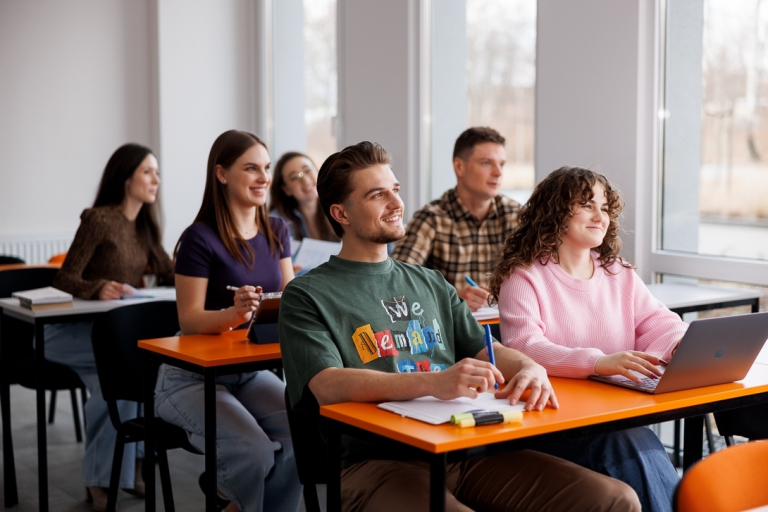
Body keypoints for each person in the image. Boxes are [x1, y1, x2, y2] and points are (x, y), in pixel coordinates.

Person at [279, 141, 641, 512]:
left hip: (463, 447)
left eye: (396, 190)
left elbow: (487, 348)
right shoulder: (307, 293)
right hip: (377, 463)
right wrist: (434, 382)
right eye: (377, 195)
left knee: (615, 500)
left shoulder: (430, 282)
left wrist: (530, 366)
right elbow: (327, 386)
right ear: (341, 213)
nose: (395, 203)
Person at [489, 166, 686, 512]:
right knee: (632, 445)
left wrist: (680, 342)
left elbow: (659, 322)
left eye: (605, 207)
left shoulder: (617, 272)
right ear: (555, 212)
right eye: (587, 205)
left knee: (638, 444)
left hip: (612, 416)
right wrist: (597, 362)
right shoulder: (524, 277)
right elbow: (524, 346)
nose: (600, 216)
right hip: (551, 422)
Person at [154, 130, 301, 512]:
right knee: (253, 453)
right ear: (221, 174)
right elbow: (188, 320)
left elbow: (290, 297)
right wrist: (232, 315)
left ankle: (236, 496)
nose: (264, 178)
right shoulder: (198, 239)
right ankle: (232, 491)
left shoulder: (276, 229)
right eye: (251, 168)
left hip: (249, 372)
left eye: (266, 168)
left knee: (300, 435)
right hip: (189, 378)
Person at [51, 143, 174, 511]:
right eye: (148, 172)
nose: (156, 180)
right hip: (72, 333)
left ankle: (117, 473)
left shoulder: (146, 228)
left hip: (111, 335)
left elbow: (169, 273)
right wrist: (96, 287)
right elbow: (65, 277)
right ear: (126, 178)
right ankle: (107, 478)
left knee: (120, 386)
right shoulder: (99, 219)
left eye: (157, 172)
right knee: (123, 377)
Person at [391, 127, 519, 311]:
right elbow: (396, 281)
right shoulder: (432, 218)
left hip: (505, 326)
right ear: (459, 167)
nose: (498, 173)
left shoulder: (516, 216)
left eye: (502, 164)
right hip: (450, 332)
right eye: (486, 163)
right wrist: (451, 298)